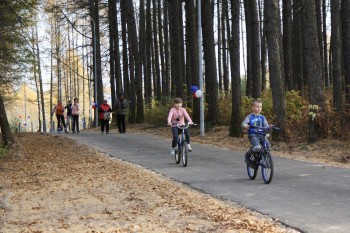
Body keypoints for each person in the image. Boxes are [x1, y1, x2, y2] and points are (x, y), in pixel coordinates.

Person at [242, 99, 269, 164]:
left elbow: (266, 126)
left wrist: (268, 130)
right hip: (253, 135)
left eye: (260, 107)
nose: (259, 108)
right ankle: (248, 155)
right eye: (257, 107)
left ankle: (265, 160)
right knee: (257, 147)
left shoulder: (262, 117)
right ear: (253, 108)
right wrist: (245, 125)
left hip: (261, 134)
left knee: (267, 146)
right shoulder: (250, 116)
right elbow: (244, 123)